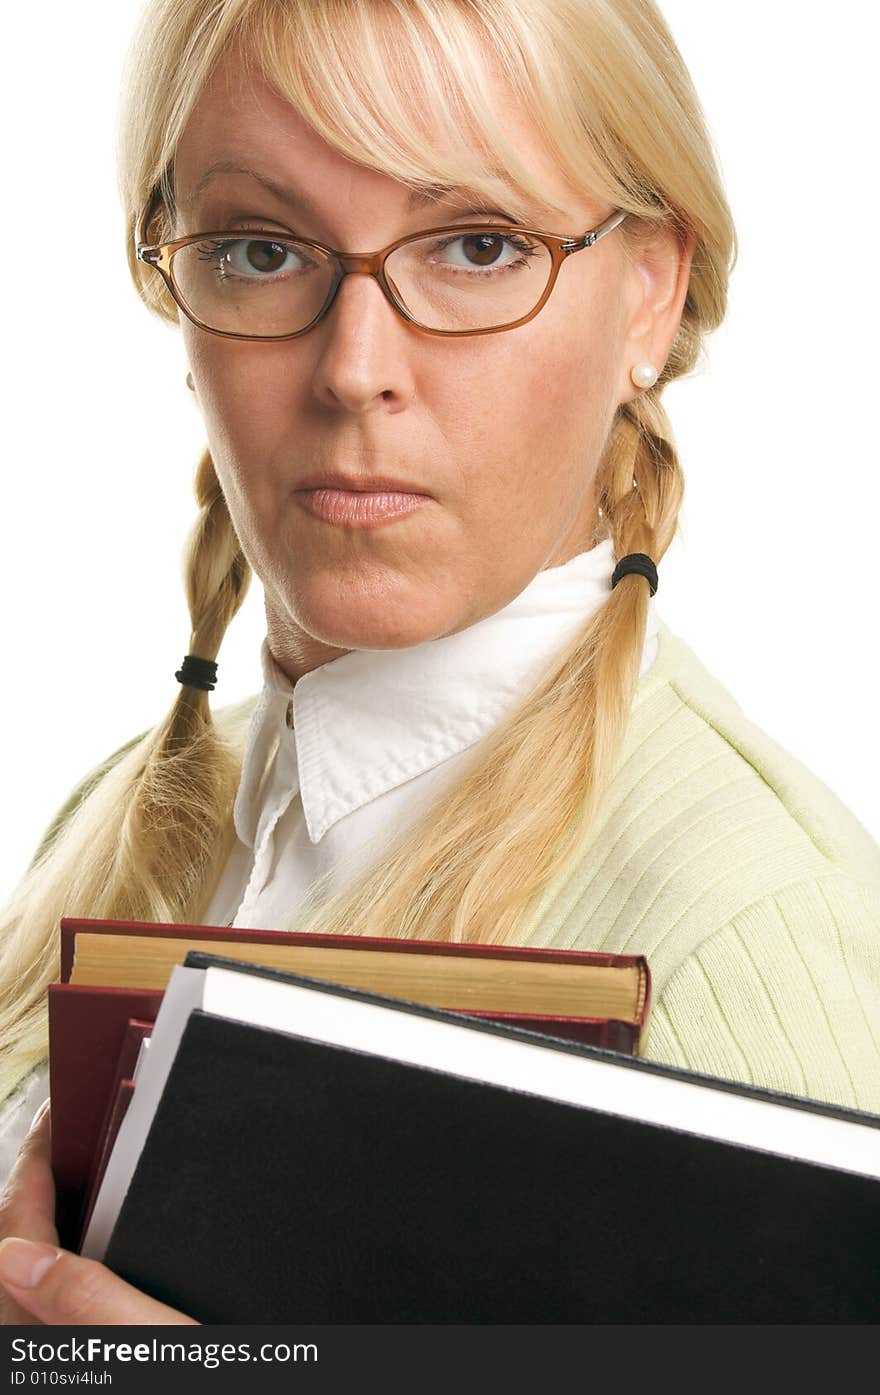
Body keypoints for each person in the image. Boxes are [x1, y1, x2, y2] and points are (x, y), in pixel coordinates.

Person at [1, 0, 878, 1326]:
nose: (356, 370)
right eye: (260, 248)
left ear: (650, 289)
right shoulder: (114, 820)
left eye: (477, 246)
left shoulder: (750, 934)